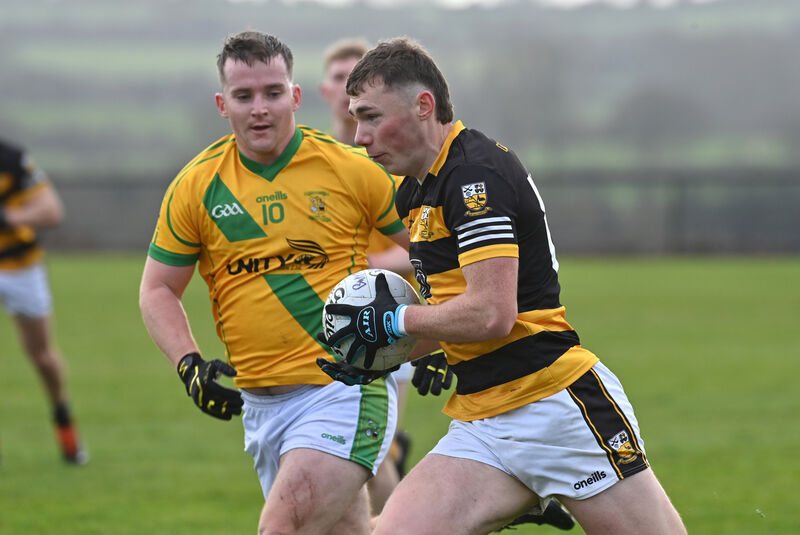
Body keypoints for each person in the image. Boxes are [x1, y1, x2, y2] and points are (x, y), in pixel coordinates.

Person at [318, 38, 688, 535]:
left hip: (554, 406)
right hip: (483, 422)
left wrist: (391, 321)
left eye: (370, 116)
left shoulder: (474, 173)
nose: (359, 136)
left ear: (423, 105)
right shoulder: (415, 190)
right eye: (355, 118)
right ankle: (523, 497)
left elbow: (492, 313)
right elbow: (453, 314)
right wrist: (378, 351)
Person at [138, 31, 410, 534]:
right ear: (223, 104)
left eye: (272, 93)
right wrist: (188, 364)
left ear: (296, 96)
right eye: (244, 96)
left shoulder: (351, 168)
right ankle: (465, 516)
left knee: (280, 528)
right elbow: (157, 289)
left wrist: (436, 338)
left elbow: (432, 250)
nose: (259, 108)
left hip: (345, 387)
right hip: (262, 407)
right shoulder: (196, 185)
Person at [320, 38, 416, 508]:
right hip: (334, 321)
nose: (346, 89)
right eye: (338, 78)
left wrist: (369, 268)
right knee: (360, 455)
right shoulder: (313, 162)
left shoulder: (388, 160)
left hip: (390, 314)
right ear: (322, 90)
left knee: (369, 455)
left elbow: (425, 244)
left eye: (354, 79)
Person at [0, 138, 88, 465]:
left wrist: (7, 217)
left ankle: (63, 419)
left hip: (21, 268)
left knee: (42, 356)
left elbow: (51, 210)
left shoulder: (12, 158)